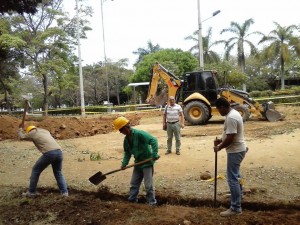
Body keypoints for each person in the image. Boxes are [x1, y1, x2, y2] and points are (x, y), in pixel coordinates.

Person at [113, 116, 160, 205]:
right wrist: (124, 163)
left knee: (148, 186)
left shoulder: (139, 134)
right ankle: (132, 201)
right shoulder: (126, 139)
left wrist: (154, 154)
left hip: (146, 162)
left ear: (126, 128)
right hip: (138, 163)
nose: (120, 132)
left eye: (120, 130)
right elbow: (127, 153)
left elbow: (153, 140)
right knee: (134, 184)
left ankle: (152, 203)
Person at [213, 97, 247, 217]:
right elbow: (229, 134)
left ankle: (236, 208)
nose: (219, 112)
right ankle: (238, 194)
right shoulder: (233, 113)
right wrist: (221, 140)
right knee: (236, 175)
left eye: (218, 109)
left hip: (235, 150)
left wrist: (220, 147)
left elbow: (231, 137)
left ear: (222, 107)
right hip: (238, 149)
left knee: (232, 178)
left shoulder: (231, 117)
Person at [18, 124, 68, 197]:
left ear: (30, 131)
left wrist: (20, 129)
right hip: (59, 152)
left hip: (50, 153)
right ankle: (64, 192)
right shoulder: (45, 131)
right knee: (58, 172)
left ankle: (31, 192)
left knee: (35, 170)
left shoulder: (33, 133)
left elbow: (21, 137)